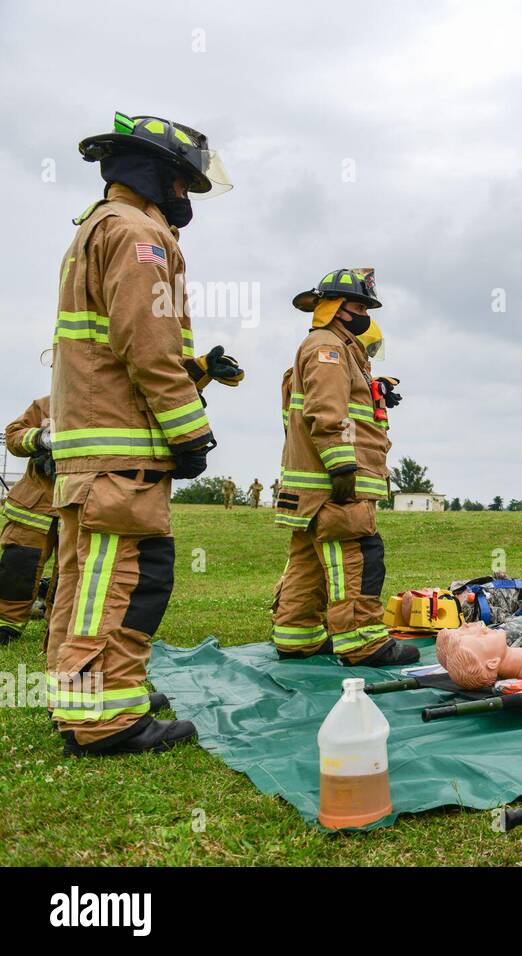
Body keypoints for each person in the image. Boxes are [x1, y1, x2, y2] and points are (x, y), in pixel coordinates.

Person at [48, 111, 236, 756]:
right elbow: (146, 344)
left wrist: (199, 376)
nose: (186, 199)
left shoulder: (99, 228)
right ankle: (105, 720)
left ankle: (85, 697)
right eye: (183, 184)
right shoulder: (137, 235)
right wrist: (190, 432)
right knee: (126, 576)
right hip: (121, 449)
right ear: (154, 174)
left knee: (83, 579)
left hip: (93, 449)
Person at [271, 269, 416, 667]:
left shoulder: (333, 349)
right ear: (335, 307)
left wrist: (375, 391)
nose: (364, 313)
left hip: (312, 488)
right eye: (359, 305)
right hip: (333, 486)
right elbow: (325, 411)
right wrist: (342, 468)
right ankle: (362, 643)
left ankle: (295, 636)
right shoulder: (327, 348)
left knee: (307, 562)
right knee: (357, 556)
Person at [0, 396, 58, 644]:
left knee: (73, 573)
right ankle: (6, 624)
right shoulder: (49, 403)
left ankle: (60, 628)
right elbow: (14, 436)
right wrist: (40, 438)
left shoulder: (116, 405)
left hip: (84, 505)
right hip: (35, 505)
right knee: (18, 565)